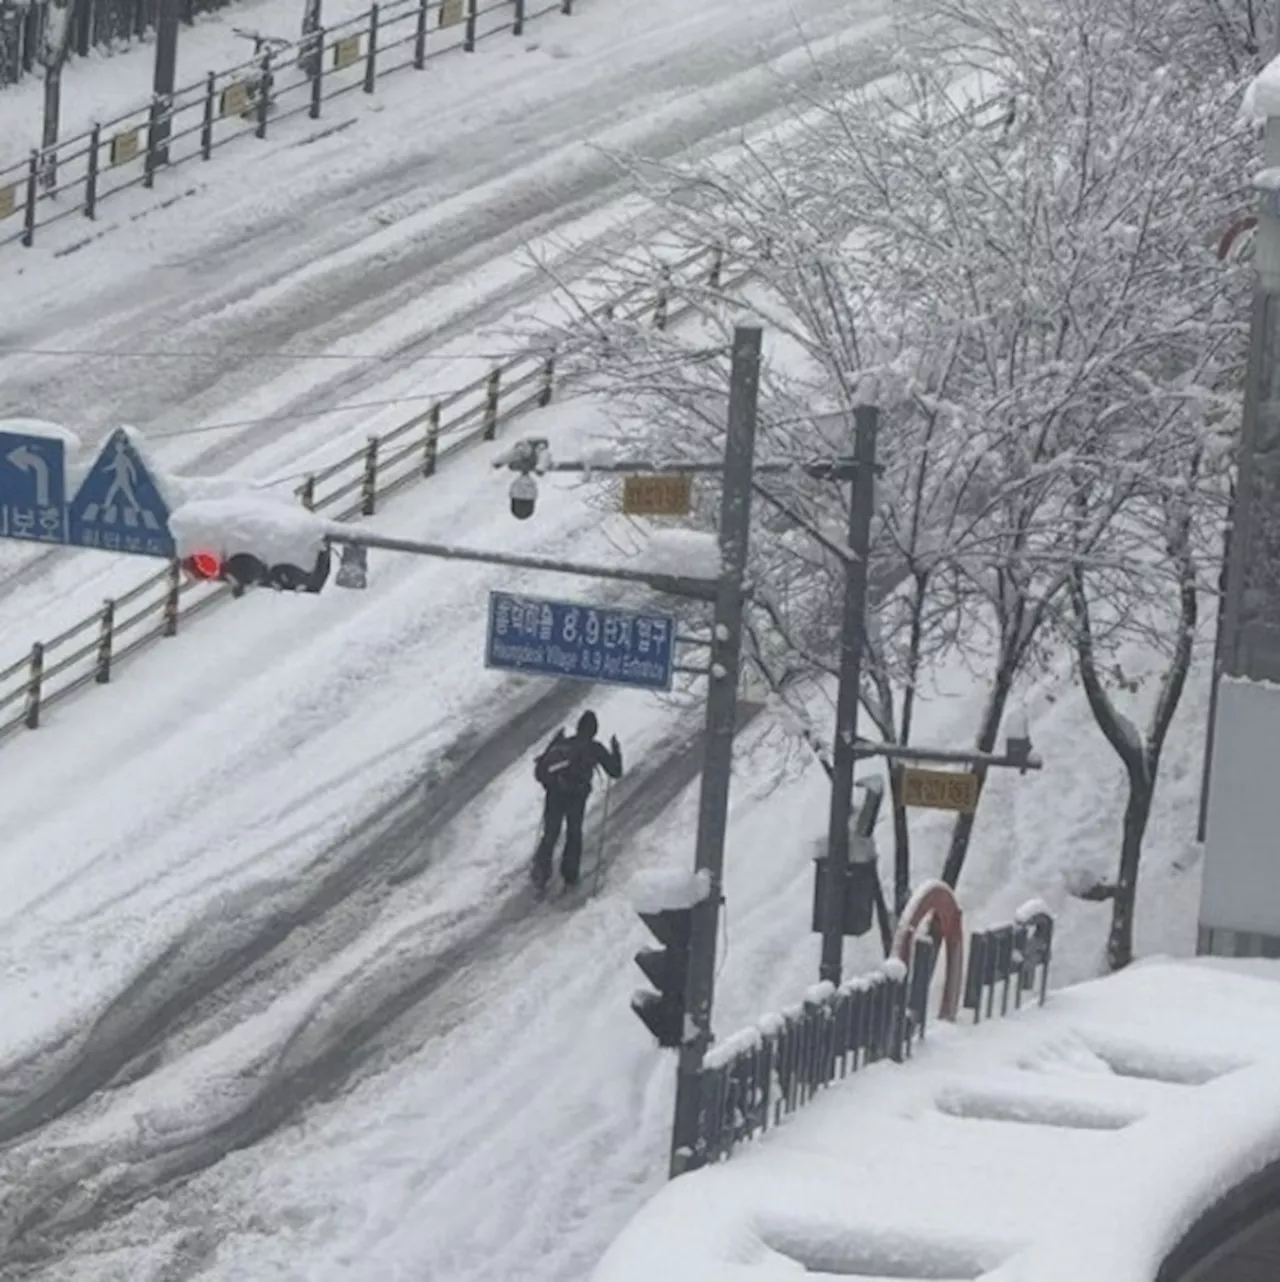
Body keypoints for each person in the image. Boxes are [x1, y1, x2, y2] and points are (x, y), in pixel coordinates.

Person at [532, 710, 623, 890]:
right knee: (574, 833)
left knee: (551, 832)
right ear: (594, 730)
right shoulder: (594, 748)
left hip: (555, 793)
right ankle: (570, 876)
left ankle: (541, 872)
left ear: (578, 726)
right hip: (577, 796)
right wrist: (616, 751)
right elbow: (615, 771)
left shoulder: (563, 743)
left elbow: (541, 769)